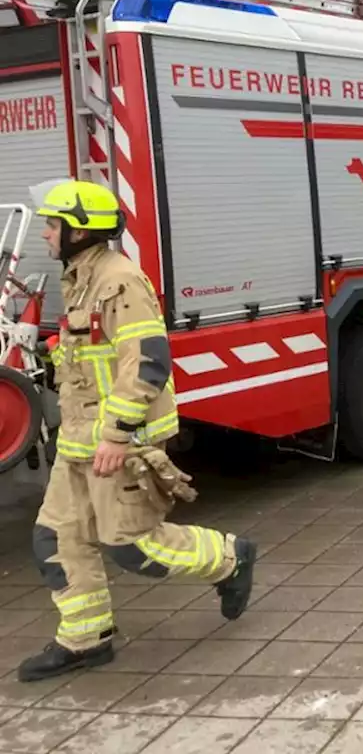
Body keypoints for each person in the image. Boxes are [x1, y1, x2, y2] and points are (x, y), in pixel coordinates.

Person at [20, 180, 256, 683]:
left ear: (79, 231)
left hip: (119, 441)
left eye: (53, 224)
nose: (45, 233)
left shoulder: (119, 281)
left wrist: (117, 435)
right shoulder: (80, 276)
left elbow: (148, 362)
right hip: (79, 440)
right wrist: (44, 354)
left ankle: (231, 558)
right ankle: (86, 639)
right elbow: (90, 355)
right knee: (55, 539)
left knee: (133, 547)